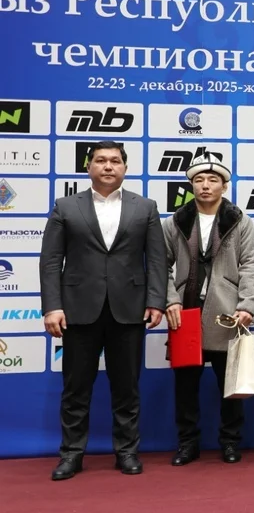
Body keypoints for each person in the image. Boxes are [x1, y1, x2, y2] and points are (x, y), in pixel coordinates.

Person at [40, 140, 167, 480]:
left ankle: (127, 452)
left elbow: (157, 260)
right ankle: (71, 454)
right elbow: (51, 261)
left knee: (127, 387)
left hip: (130, 309)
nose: (108, 166)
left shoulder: (146, 207)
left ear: (125, 168)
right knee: (76, 388)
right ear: (89, 167)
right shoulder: (66, 206)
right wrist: (52, 306)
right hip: (78, 309)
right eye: (100, 160)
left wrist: (156, 301)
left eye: (115, 161)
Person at [162, 154, 254, 465]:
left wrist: (247, 305)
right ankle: (187, 444)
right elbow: (160, 265)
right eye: (199, 180)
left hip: (227, 312)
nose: (205, 185)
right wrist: (171, 300)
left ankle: (230, 442)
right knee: (185, 385)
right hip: (185, 312)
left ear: (224, 185)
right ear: (191, 185)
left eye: (213, 180)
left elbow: (251, 265)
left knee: (230, 384)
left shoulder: (240, 220)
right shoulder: (175, 221)